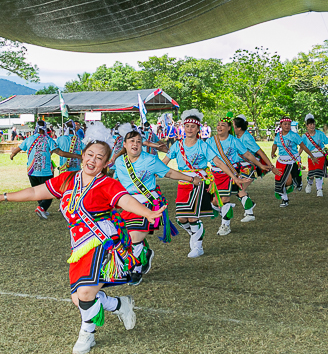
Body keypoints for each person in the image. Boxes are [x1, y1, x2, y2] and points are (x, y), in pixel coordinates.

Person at [0, 134, 164, 354]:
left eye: (99, 157)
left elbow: (125, 200)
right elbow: (35, 191)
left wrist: (148, 212)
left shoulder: (107, 183)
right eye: (89, 154)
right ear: (83, 155)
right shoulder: (67, 179)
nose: (92, 160)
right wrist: (4, 197)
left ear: (106, 164)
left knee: (86, 293)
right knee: (78, 298)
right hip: (78, 245)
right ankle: (119, 305)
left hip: (102, 242)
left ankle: (87, 334)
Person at [113, 126, 193, 283]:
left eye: (138, 141)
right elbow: (117, 180)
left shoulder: (150, 160)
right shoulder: (119, 162)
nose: (135, 144)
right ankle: (145, 253)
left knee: (134, 236)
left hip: (147, 203)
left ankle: (135, 270)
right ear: (125, 144)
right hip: (127, 203)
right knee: (125, 238)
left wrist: (191, 178)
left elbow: (169, 172)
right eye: (131, 141)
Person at [165, 110, 246, 257]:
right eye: (187, 126)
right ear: (183, 127)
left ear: (198, 129)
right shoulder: (177, 145)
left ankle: (198, 247)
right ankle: (195, 234)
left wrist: (234, 177)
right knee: (181, 219)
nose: (190, 129)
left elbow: (218, 162)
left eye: (193, 126)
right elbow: (162, 164)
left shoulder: (203, 145)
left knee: (193, 217)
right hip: (183, 183)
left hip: (199, 182)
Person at [10, 120, 79, 219]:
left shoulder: (29, 139)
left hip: (32, 171)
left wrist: (12, 155)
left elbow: (17, 149)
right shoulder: (49, 140)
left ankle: (42, 208)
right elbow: (61, 153)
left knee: (37, 191)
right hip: (45, 172)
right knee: (50, 192)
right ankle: (42, 207)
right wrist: (77, 156)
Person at [210, 117, 267, 233]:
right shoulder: (211, 141)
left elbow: (248, 154)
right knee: (215, 201)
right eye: (218, 125)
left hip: (231, 173)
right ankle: (227, 210)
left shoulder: (234, 141)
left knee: (225, 198)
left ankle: (225, 225)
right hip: (215, 173)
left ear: (229, 128)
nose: (220, 127)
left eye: (223, 125)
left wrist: (260, 165)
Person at [269, 116, 310, 207]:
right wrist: (272, 153)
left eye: (289, 124)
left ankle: (297, 182)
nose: (287, 126)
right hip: (281, 161)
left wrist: (312, 156)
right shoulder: (278, 136)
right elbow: (274, 145)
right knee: (282, 181)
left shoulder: (294, 135)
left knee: (289, 180)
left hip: (292, 161)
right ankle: (285, 199)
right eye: (285, 124)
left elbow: (303, 146)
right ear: (281, 125)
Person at [300, 114, 328, 197]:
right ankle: (309, 184)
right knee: (311, 174)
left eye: (313, 124)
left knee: (318, 173)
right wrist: (297, 156)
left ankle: (319, 189)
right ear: (307, 126)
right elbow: (302, 147)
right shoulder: (304, 136)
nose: (312, 126)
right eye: (310, 124)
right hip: (311, 157)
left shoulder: (320, 134)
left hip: (320, 156)